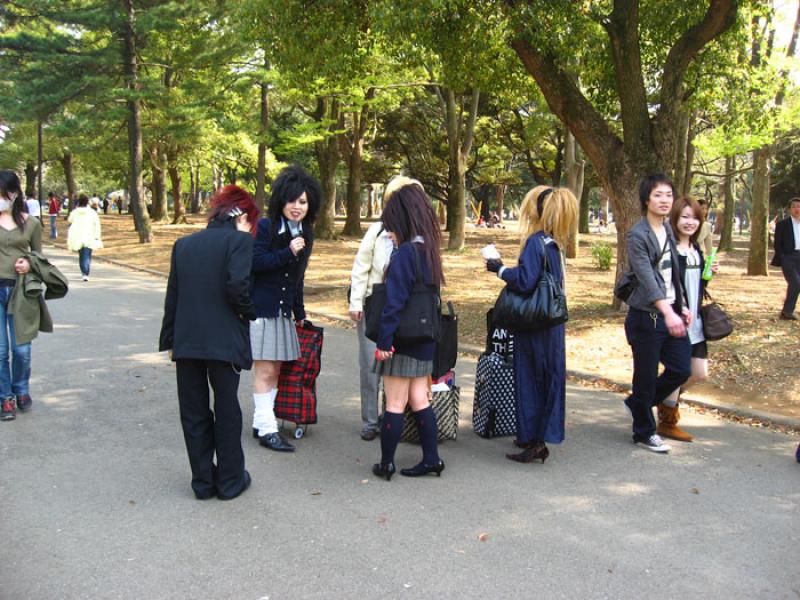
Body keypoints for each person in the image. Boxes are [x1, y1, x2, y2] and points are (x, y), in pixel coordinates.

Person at [159, 185, 259, 500]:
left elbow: (173, 295)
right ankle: (230, 481)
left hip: (187, 341)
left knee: (193, 411)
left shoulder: (184, 245)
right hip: (224, 341)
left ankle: (203, 482)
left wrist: (170, 339)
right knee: (227, 409)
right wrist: (249, 313)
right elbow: (238, 286)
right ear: (242, 216)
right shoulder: (240, 241)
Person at [484, 185, 578, 464]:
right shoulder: (554, 243)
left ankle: (533, 441)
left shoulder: (536, 241)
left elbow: (525, 281)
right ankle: (537, 435)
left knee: (529, 378)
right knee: (547, 378)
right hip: (552, 323)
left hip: (534, 324)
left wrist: (498, 268)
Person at [372, 179, 445, 481]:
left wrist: (384, 341)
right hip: (425, 338)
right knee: (420, 400)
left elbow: (395, 303)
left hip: (401, 339)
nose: (389, 232)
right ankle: (432, 459)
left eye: (391, 226)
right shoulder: (429, 251)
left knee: (395, 403)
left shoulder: (404, 254)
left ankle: (386, 463)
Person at [250, 165, 321, 453]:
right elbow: (256, 263)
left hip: (282, 314)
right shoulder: (266, 227)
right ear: (281, 201)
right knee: (265, 371)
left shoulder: (307, 233)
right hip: (261, 310)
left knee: (277, 371)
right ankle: (268, 429)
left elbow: (298, 277)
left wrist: (300, 313)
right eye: (292, 201)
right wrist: (287, 251)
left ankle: (261, 421)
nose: (297, 207)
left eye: (302, 201)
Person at [622, 174, 692, 453]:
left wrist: (682, 305)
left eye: (668, 195)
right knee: (646, 376)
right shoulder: (637, 235)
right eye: (658, 195)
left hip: (672, 310)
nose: (664, 201)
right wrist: (667, 312)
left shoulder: (670, 231)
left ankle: (638, 403)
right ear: (646, 200)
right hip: (647, 315)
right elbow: (647, 277)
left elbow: (676, 271)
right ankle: (644, 432)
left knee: (680, 369)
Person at [658, 197, 716, 442]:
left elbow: (697, 285)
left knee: (699, 373)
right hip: (678, 319)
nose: (690, 222)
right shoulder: (669, 249)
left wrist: (709, 273)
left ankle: (657, 398)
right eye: (684, 217)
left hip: (697, 321)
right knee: (679, 371)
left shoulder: (696, 250)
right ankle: (667, 420)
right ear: (675, 219)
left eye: (694, 217)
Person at [348, 181, 401, 441]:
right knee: (370, 365)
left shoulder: (416, 235)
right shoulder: (377, 230)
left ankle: (390, 416)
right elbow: (361, 267)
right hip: (372, 304)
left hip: (402, 309)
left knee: (396, 365)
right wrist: (356, 303)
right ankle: (370, 420)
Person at [0, 171, 43, 422]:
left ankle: (21, 389)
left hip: (20, 292)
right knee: (0, 351)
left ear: (14, 193)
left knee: (21, 350)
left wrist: (28, 263)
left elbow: (39, 256)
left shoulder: (32, 223)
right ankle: (5, 397)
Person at [771, 197, 800, 320]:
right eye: (794, 206)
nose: (797, 209)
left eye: (799, 206)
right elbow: (777, 243)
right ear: (789, 209)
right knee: (795, 282)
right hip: (788, 257)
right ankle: (787, 312)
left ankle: (788, 311)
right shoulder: (783, 224)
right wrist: (783, 257)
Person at [67, 193, 103, 282]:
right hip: (89, 235)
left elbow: (70, 220)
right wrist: (97, 236)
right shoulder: (92, 212)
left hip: (78, 236)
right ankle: (86, 272)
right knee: (87, 255)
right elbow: (97, 224)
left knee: (82, 255)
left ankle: (84, 272)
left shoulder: (75, 212)